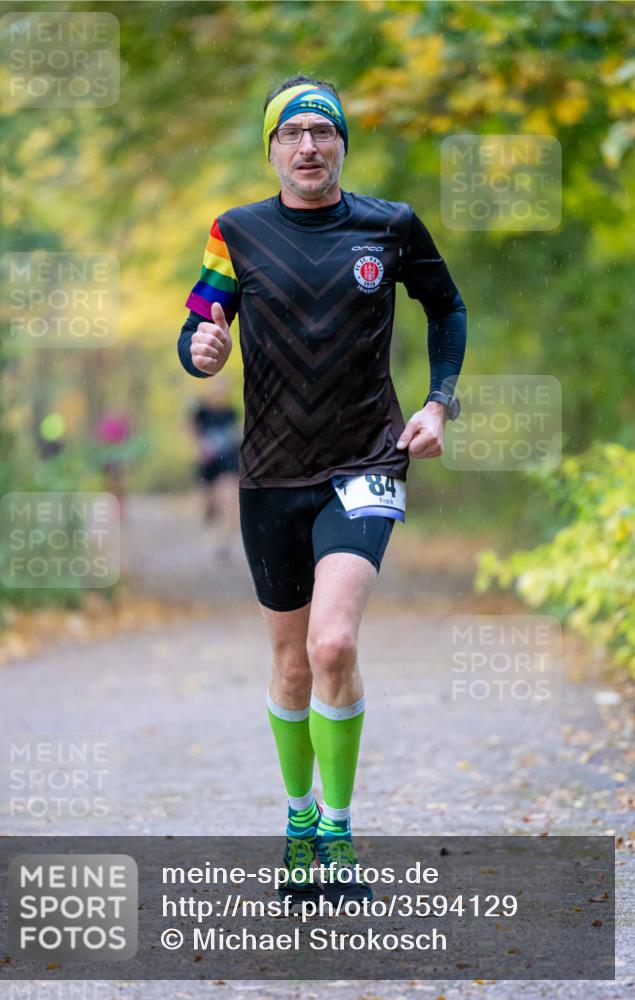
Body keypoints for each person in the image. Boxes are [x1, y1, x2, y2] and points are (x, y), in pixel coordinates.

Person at [177, 76, 467, 905]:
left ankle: (335, 835)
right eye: (292, 133)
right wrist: (198, 348)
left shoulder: (390, 225)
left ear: (342, 144)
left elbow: (446, 311)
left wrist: (439, 402)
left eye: (323, 132)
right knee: (290, 665)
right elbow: (198, 321)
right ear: (271, 149)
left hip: (366, 461)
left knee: (331, 644)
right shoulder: (233, 233)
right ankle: (298, 823)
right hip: (270, 473)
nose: (308, 145)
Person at [188, 377, 241, 560]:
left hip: (227, 463)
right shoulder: (202, 411)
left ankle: (223, 544)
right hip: (207, 467)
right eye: (217, 388)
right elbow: (190, 429)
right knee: (209, 507)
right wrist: (198, 446)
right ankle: (212, 518)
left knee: (228, 501)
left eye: (223, 389)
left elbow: (237, 432)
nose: (220, 393)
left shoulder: (231, 413)